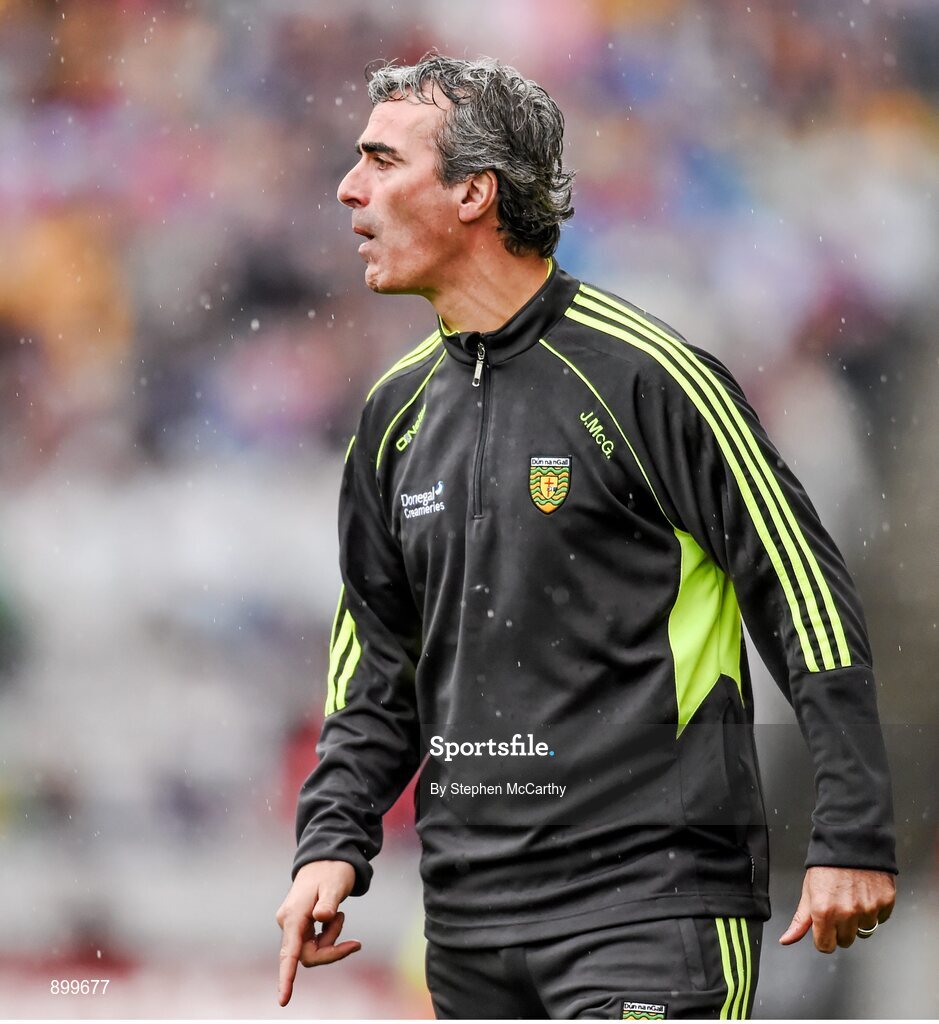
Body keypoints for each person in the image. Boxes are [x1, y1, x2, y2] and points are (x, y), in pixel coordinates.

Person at [275, 54, 897, 1019]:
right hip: (470, 927)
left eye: (381, 160)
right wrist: (331, 840)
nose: (348, 187)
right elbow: (375, 668)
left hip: (649, 910)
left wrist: (850, 832)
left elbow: (803, 597)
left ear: (473, 193)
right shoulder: (391, 418)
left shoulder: (651, 378)